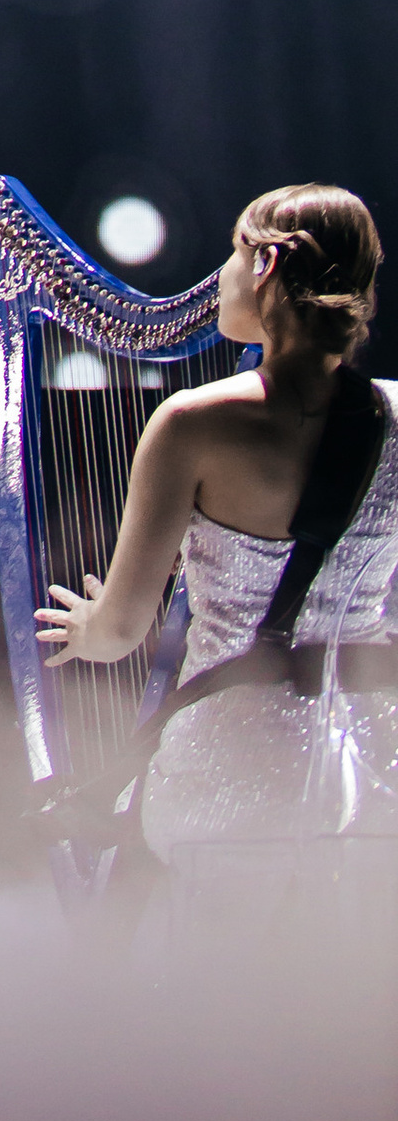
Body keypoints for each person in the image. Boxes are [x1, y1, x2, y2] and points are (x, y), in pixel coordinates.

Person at [36, 182, 398, 910]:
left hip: (232, 767)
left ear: (265, 265)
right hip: (373, 762)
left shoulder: (191, 424)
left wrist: (87, 626)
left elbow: (119, 635)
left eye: (232, 254)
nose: (219, 279)